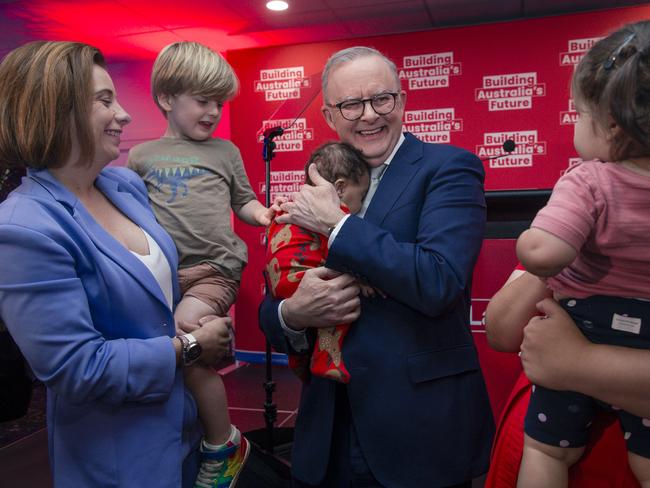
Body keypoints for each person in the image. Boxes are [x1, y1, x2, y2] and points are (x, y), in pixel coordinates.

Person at [0, 41, 233, 487]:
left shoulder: (124, 186)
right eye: (105, 101)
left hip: (186, 430)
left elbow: (153, 294)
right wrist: (191, 348)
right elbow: (78, 369)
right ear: (56, 111)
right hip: (123, 459)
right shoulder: (23, 227)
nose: (124, 115)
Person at [259, 46, 494, 488]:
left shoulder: (449, 169)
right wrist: (292, 314)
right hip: (327, 431)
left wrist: (338, 223)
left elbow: (439, 280)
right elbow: (275, 293)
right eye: (351, 104)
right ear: (329, 116)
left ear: (401, 101)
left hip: (419, 430)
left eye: (381, 99)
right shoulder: (316, 182)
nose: (369, 115)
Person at [127, 41, 271, 487]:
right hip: (164, 273)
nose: (213, 111)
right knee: (175, 354)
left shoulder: (224, 152)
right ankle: (185, 434)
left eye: (219, 102)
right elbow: (133, 215)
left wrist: (263, 214)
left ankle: (222, 442)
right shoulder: (141, 157)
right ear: (168, 98)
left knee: (186, 332)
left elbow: (243, 201)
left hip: (214, 268)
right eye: (202, 100)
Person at [514, 20, 650, 488]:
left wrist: (530, 244)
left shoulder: (590, 179)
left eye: (578, 113)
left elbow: (545, 254)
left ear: (611, 126)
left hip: (584, 325)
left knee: (545, 451)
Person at [484, 266, 642, 487]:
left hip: (623, 452)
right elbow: (501, 332)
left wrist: (578, 361)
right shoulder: (572, 242)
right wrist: (569, 248)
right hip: (543, 435)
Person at [266, 141, 371, 383]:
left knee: (309, 321)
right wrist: (361, 276)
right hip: (304, 281)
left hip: (281, 282)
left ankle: (300, 363)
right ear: (341, 188)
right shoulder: (329, 210)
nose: (361, 203)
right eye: (361, 194)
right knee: (338, 308)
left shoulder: (290, 205)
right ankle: (327, 359)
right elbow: (339, 248)